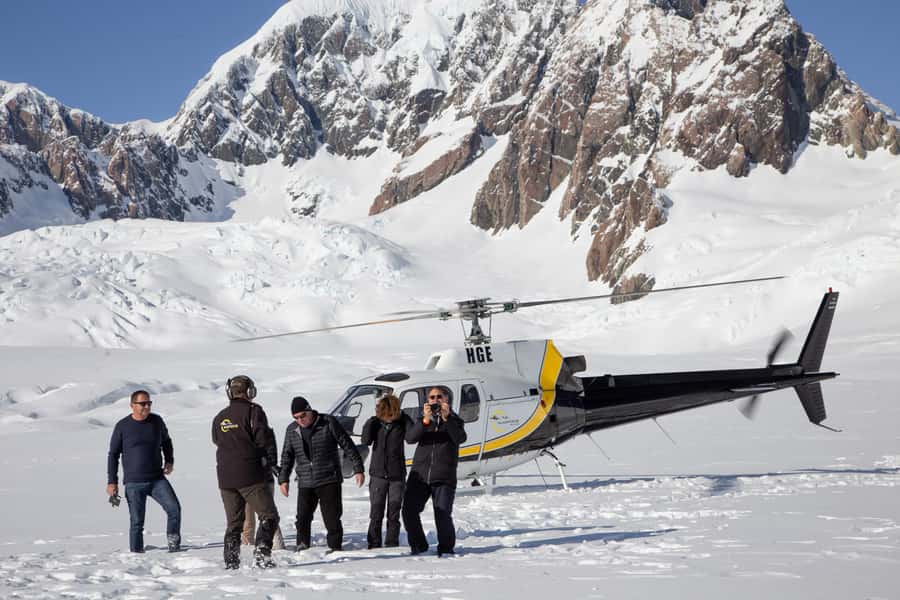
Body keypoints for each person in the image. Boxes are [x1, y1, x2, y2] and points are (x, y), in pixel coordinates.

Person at [278, 396, 365, 553]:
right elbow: (287, 456)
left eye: (303, 416)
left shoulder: (328, 422)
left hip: (329, 478)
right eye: (296, 417)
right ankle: (302, 546)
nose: (300, 420)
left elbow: (347, 445)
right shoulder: (292, 430)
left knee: (332, 518)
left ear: (309, 410)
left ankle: (335, 547)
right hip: (305, 480)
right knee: (302, 518)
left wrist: (358, 468)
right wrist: (283, 479)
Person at [212, 375, 280, 569]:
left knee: (234, 523)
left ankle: (231, 562)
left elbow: (216, 440)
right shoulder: (254, 411)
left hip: (225, 477)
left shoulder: (219, 416)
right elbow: (262, 441)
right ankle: (262, 555)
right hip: (250, 475)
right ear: (250, 392)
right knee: (269, 516)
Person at [106, 390, 182, 553]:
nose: (147, 406)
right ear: (132, 405)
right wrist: (112, 481)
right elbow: (113, 455)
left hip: (157, 479)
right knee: (137, 522)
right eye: (143, 404)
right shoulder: (122, 426)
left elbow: (167, 442)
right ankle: (136, 554)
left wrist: (169, 460)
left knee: (174, 509)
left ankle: (174, 548)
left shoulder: (157, 421)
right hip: (134, 482)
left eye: (149, 403)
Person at [402, 387, 467, 557]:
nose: (436, 400)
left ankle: (446, 549)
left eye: (440, 396)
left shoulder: (455, 420)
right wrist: (425, 420)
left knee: (442, 513)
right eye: (432, 397)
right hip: (420, 476)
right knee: (408, 510)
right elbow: (410, 438)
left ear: (446, 399)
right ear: (427, 400)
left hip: (444, 476)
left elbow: (460, 438)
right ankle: (419, 545)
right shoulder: (423, 420)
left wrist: (447, 419)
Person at [360, 394, 413, 549]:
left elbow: (411, 438)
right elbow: (365, 440)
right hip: (378, 475)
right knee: (376, 512)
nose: (389, 419)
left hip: (397, 475)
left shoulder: (402, 422)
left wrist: (405, 418)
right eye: (386, 416)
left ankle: (392, 543)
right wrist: (371, 423)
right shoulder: (375, 423)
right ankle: (373, 543)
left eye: (392, 415)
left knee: (394, 512)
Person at [241, 423, 286, 551]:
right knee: (248, 517)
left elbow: (271, 458)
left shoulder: (265, 434)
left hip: (262, 480)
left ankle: (278, 545)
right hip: (246, 480)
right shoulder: (242, 433)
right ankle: (247, 545)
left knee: (268, 513)